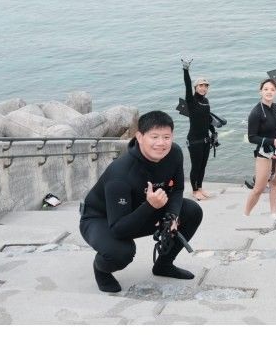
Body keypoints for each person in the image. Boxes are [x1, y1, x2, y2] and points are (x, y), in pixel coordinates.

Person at [79, 110, 202, 293]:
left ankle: (163, 265)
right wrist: (150, 206)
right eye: (154, 137)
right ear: (139, 136)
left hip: (146, 209)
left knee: (191, 211)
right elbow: (119, 229)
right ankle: (101, 270)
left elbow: (176, 189)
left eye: (166, 137)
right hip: (102, 219)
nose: (161, 143)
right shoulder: (120, 173)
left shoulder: (174, 153)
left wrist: (172, 216)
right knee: (120, 252)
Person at [244, 78, 276, 222]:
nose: (269, 92)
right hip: (265, 153)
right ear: (261, 91)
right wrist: (272, 141)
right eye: (266, 89)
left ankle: (273, 213)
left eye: (272, 89)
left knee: (275, 182)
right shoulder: (256, 112)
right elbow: (252, 137)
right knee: (259, 188)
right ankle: (246, 214)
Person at [181, 57, 216, 201]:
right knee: (196, 166)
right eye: (200, 85)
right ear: (196, 87)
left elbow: (207, 120)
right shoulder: (192, 101)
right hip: (194, 140)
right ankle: (195, 191)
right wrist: (186, 70)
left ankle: (200, 187)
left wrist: (213, 132)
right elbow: (187, 85)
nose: (203, 88)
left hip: (205, 139)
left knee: (203, 166)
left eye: (205, 86)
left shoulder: (206, 101)